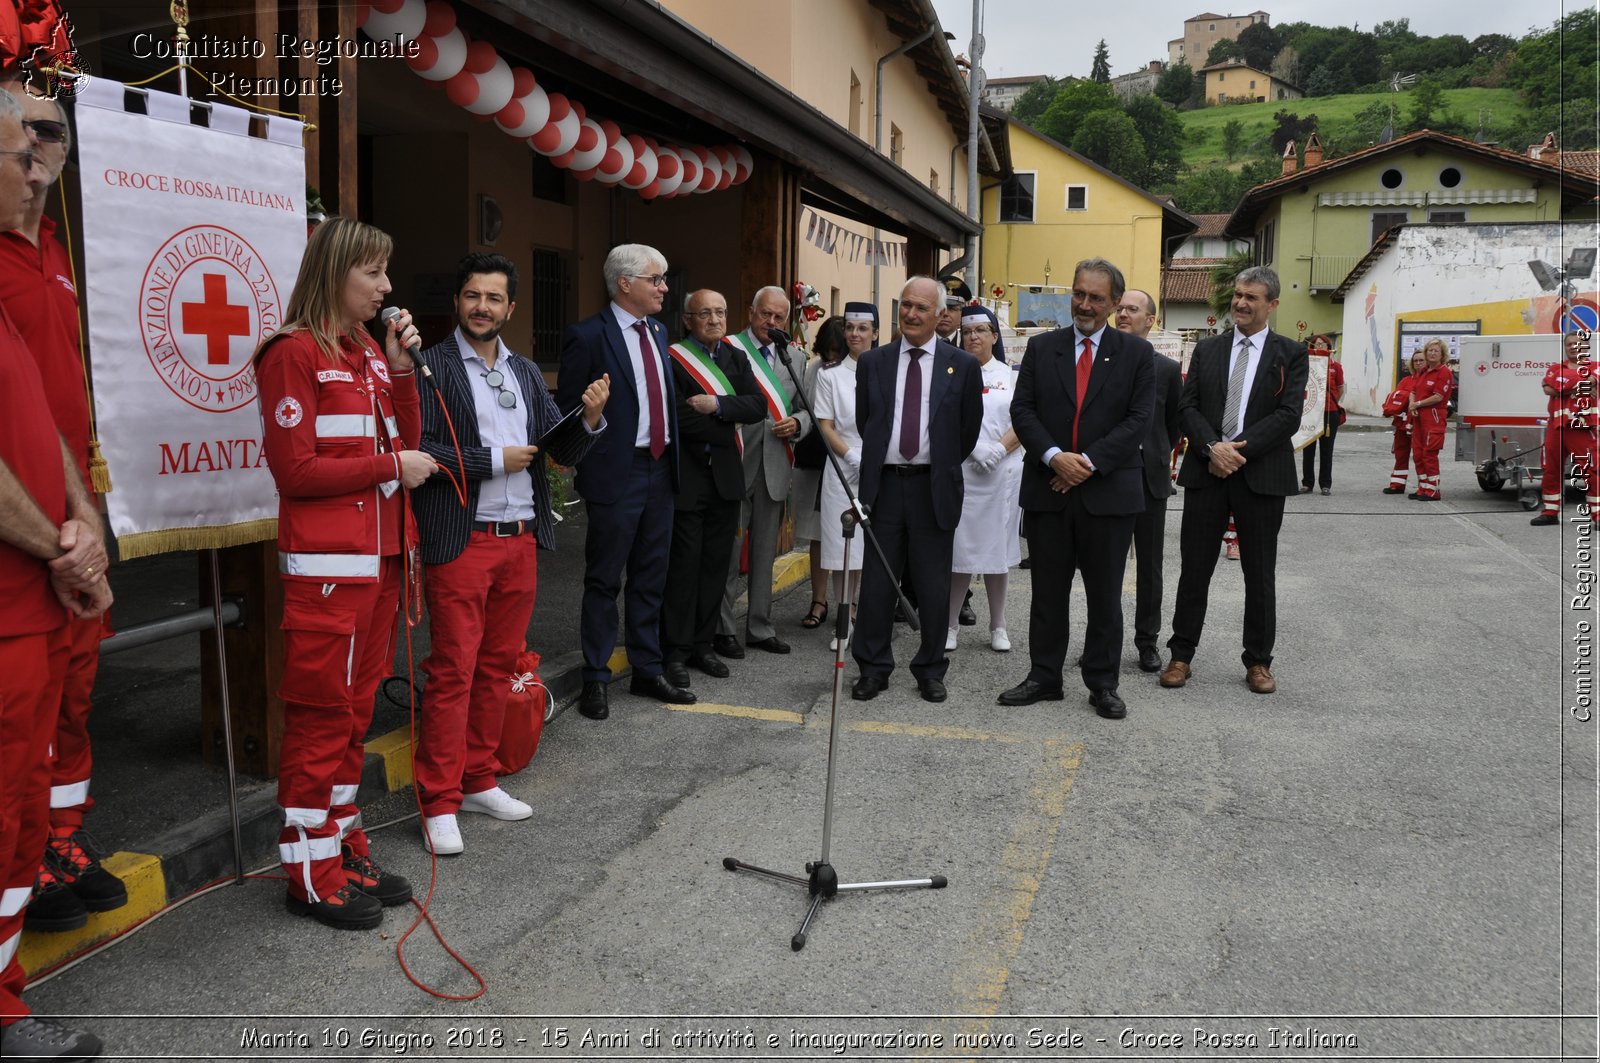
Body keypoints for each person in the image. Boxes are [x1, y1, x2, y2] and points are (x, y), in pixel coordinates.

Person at [254, 217, 435, 929]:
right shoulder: (292, 354)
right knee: (320, 719)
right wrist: (390, 466)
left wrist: (397, 368)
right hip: (330, 577)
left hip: (382, 567)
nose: (388, 288)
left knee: (353, 718)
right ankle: (307, 871)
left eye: (387, 273)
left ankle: (341, 846)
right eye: (374, 273)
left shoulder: (363, 351)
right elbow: (295, 471)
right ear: (334, 273)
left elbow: (410, 439)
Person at [411, 253, 607, 856]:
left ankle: (477, 779)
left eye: (494, 299)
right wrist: (493, 461)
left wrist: (590, 418)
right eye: (473, 295)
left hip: (519, 539)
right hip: (461, 540)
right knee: (453, 672)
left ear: (511, 308)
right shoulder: (430, 367)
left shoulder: (523, 372)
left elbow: (558, 450)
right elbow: (418, 450)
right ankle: (438, 800)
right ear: (458, 302)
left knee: (497, 668)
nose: (482, 307)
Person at [0, 87, 112, 1061]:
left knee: (58, 728)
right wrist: (54, 535)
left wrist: (84, 523)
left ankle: (52, 854)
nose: (40, 155)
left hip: (58, 547)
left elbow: (46, 405)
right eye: (21, 138)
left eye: (50, 135)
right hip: (19, 559)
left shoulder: (53, 255)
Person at [999, 259, 1154, 718]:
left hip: (1108, 493)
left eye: (1096, 298)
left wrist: (1087, 463)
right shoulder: (1042, 349)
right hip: (1049, 488)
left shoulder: (1136, 355)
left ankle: (1103, 683)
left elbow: (1138, 420)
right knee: (1047, 592)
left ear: (1112, 304)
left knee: (1105, 595)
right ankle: (1044, 676)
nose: (1084, 305)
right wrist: (1054, 457)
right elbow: (1023, 410)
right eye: (1079, 294)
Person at [558, 245, 692, 719]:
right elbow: (569, 417)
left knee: (651, 577)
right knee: (603, 579)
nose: (664, 288)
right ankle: (596, 677)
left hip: (661, 468)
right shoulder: (587, 336)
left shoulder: (657, 331)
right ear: (625, 283)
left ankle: (646, 669)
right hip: (617, 473)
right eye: (656, 279)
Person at [1161, 265, 1308, 696]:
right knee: (1195, 569)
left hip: (1260, 474)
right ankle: (1181, 654)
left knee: (1259, 573)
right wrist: (1212, 448)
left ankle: (1259, 661)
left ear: (1272, 304)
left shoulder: (1291, 353)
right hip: (1208, 472)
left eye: (1252, 297)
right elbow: (1187, 408)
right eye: (1238, 295)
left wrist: (1237, 449)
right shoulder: (1208, 350)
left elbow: (1289, 415)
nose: (1241, 303)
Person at [850, 276, 983, 703]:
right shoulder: (874, 362)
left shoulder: (960, 365)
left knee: (932, 585)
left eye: (921, 308)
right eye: (905, 305)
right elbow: (865, 421)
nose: (910, 313)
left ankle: (929, 669)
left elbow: (967, 430)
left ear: (939, 314)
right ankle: (873, 667)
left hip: (933, 488)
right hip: (885, 487)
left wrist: (936, 464)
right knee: (876, 585)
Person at [661, 289, 766, 687]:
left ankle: (702, 645)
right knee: (683, 569)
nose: (714, 319)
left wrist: (718, 406)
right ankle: (674, 651)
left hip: (724, 478)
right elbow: (676, 419)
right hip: (688, 477)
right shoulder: (673, 359)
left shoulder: (735, 357)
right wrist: (727, 427)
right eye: (704, 313)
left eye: (720, 312)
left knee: (714, 568)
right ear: (688, 319)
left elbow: (757, 407)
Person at [715, 286, 810, 657]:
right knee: (728, 551)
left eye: (779, 317)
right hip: (735, 463)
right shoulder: (727, 349)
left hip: (774, 465)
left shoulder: (794, 357)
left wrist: (798, 425)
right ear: (751, 311)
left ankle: (759, 626)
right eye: (765, 314)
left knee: (764, 554)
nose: (771, 322)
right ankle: (722, 629)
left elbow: (807, 408)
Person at [1115, 288, 1184, 674]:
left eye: (1132, 309)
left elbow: (1172, 424)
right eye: (1120, 308)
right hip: (1107, 479)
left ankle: (1147, 642)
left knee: (1149, 567)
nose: (1123, 314)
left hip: (1149, 480)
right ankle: (1101, 640)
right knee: (1104, 565)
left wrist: (1156, 455)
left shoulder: (1167, 370)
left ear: (1151, 321)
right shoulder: (1100, 363)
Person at [947, 304, 1022, 654]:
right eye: (967, 332)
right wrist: (973, 449)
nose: (973, 337)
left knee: (997, 554)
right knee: (960, 552)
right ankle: (949, 625)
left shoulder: (1011, 377)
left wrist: (997, 450)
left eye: (980, 331)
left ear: (994, 335)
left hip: (1001, 476)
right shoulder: (950, 375)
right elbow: (942, 418)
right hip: (964, 472)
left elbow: (1022, 420)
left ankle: (999, 624)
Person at [814, 301, 876, 648]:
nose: (855, 334)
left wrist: (873, 457)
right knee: (843, 546)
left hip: (879, 462)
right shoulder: (830, 376)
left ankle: (863, 613)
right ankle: (844, 618)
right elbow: (825, 425)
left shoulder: (886, 369)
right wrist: (851, 454)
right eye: (850, 328)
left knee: (873, 545)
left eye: (863, 328)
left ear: (875, 333)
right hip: (842, 464)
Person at [793, 315, 845, 630]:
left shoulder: (859, 369)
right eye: (827, 351)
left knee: (849, 533)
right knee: (818, 534)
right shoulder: (814, 370)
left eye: (836, 351)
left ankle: (849, 603)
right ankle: (819, 600)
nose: (832, 358)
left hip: (849, 460)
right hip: (817, 459)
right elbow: (804, 407)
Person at [1531, 331, 1598, 526]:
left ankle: (1598, 515)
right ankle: (1550, 512)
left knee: (1591, 470)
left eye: (1576, 343)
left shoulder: (1595, 367)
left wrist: (1563, 387)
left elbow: (1557, 387)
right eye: (1568, 344)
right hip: (1556, 427)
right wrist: (1579, 387)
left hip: (1582, 427)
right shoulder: (1555, 368)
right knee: (1551, 469)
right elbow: (1547, 389)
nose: (1572, 347)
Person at [1408, 337, 1453, 502]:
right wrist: (1413, 404)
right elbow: (1413, 390)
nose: (1432, 353)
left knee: (1429, 454)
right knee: (1418, 454)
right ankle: (1423, 487)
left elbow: (1438, 396)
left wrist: (1418, 404)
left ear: (1442, 354)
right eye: (1430, 350)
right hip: (1419, 417)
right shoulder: (1424, 370)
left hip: (1433, 417)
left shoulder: (1444, 372)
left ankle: (1433, 491)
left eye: (1436, 351)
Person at [1300, 335, 1344, 495]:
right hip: (1311, 413)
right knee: (1308, 449)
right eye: (1315, 344)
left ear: (1328, 347)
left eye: (1322, 344)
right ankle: (1307, 483)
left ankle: (1325, 484)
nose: (1318, 347)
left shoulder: (1335, 366)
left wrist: (1331, 403)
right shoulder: (1306, 365)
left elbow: (1340, 388)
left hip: (1329, 413)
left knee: (1327, 449)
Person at [1382, 351, 1426, 494]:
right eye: (1415, 361)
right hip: (1402, 424)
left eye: (1421, 360)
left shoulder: (1429, 380)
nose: (1418, 363)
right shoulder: (1406, 380)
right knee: (1400, 454)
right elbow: (1396, 399)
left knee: (1421, 457)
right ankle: (1397, 484)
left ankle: (1424, 486)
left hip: (1420, 424)